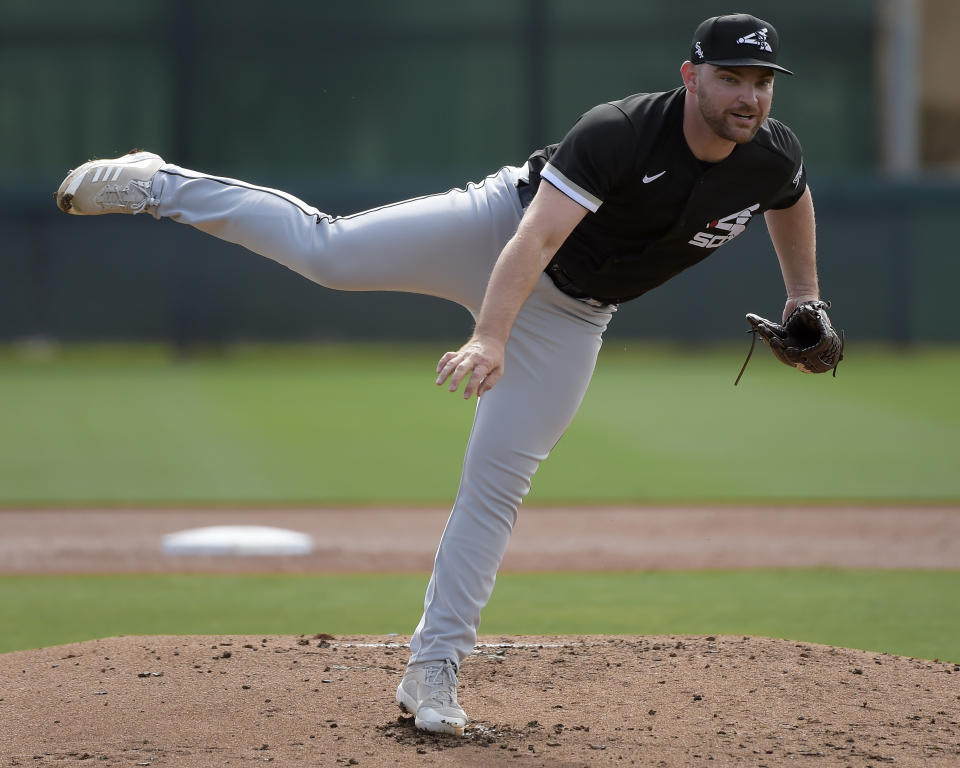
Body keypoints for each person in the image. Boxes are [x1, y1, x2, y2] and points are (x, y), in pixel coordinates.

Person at [55, 13, 821, 737]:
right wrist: (490, 336)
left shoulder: (770, 152)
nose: (749, 95)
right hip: (495, 229)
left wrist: (803, 298)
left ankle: (432, 671)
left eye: (762, 80)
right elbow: (534, 237)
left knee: (497, 482)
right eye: (731, 76)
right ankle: (157, 185)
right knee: (330, 254)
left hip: (576, 314)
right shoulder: (620, 132)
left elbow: (790, 196)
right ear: (691, 76)